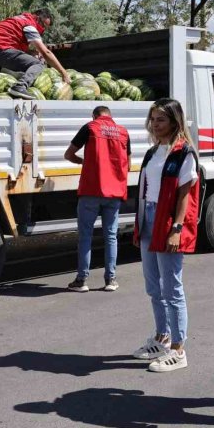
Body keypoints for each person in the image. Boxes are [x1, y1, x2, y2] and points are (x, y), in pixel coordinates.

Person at [131, 99, 204, 373]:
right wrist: (141, 224)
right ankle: (162, 338)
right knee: (153, 287)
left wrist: (177, 228)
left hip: (168, 221)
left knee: (172, 288)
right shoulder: (153, 152)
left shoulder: (184, 153)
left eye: (160, 119)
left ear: (175, 121)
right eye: (153, 119)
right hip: (149, 219)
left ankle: (178, 349)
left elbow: (185, 195)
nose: (155, 124)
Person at [64, 106, 132, 293]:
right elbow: (128, 164)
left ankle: (82, 280)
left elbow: (68, 154)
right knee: (111, 236)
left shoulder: (90, 127)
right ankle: (110, 280)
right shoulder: (123, 132)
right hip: (115, 192)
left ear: (94, 116)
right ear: (111, 116)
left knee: (85, 236)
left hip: (91, 190)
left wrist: (85, 162)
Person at [0, 8, 70, 99]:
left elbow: (11, 46)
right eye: (43, 26)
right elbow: (46, 52)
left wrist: (31, 52)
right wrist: (63, 73)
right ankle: (20, 86)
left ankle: (15, 85)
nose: (43, 30)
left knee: (27, 65)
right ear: (38, 18)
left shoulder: (19, 19)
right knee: (38, 64)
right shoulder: (29, 25)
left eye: (45, 29)